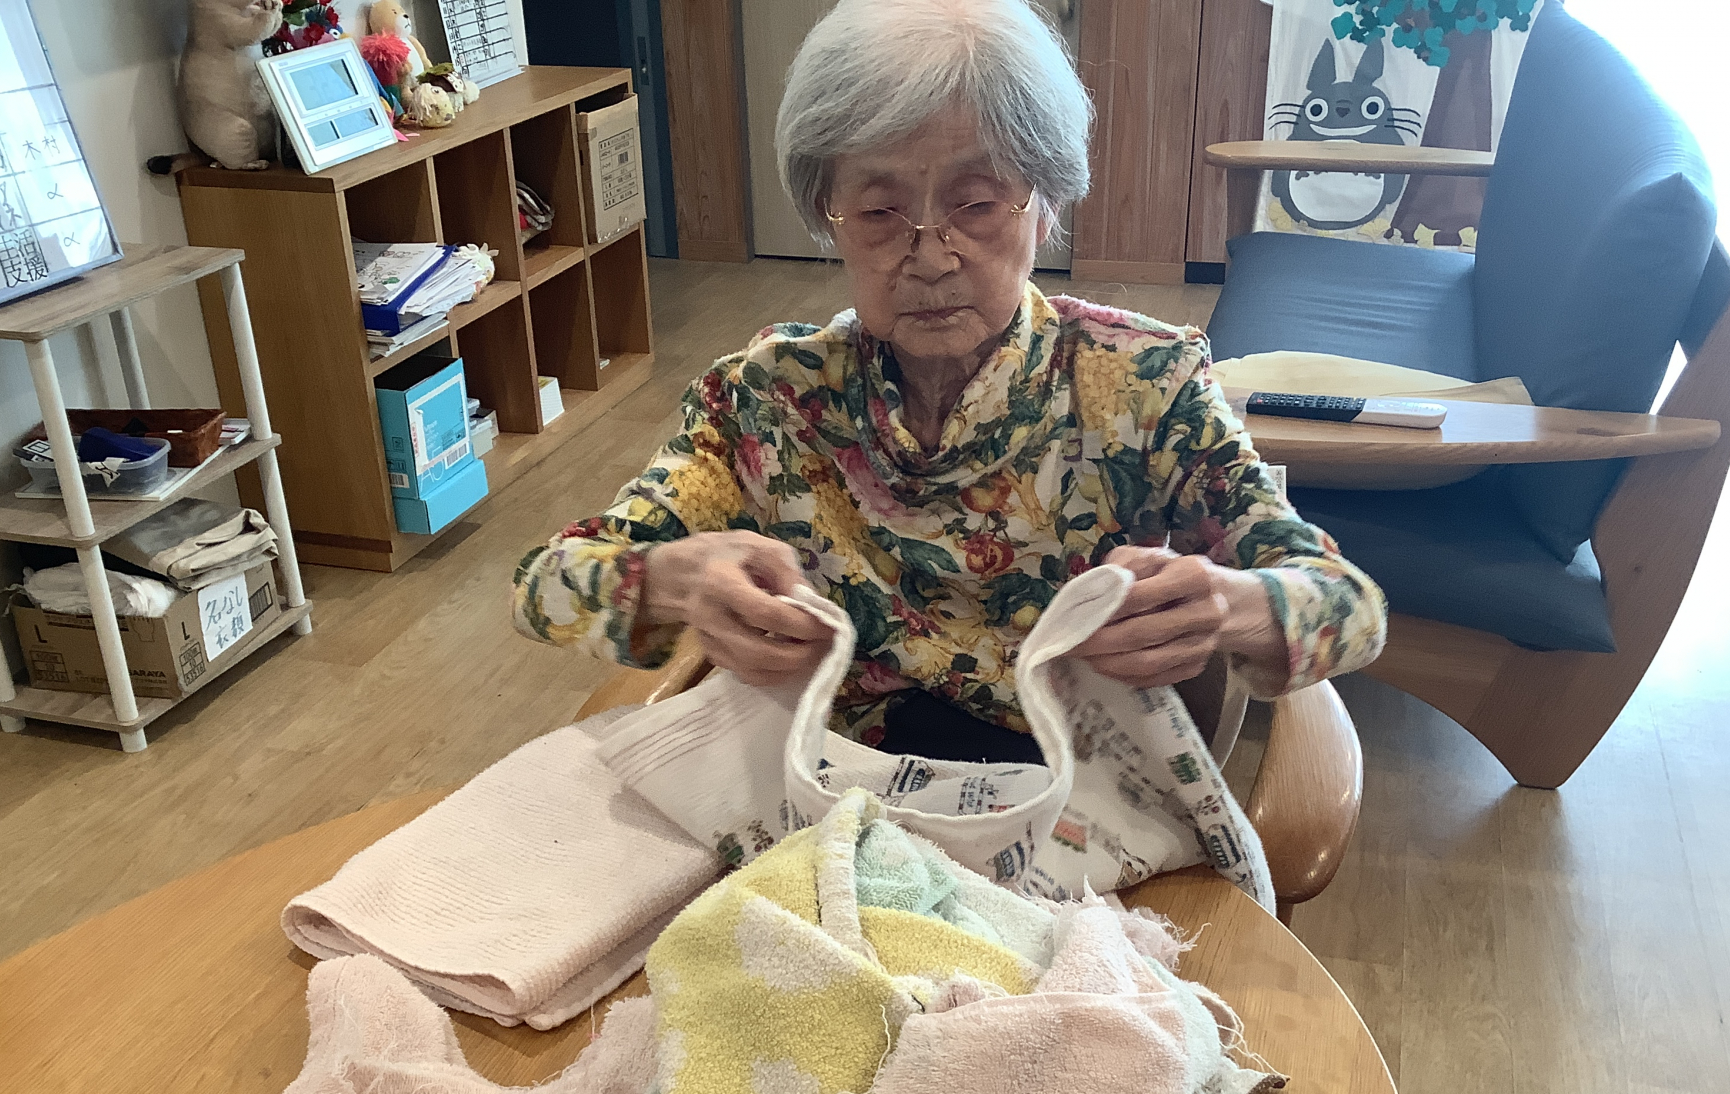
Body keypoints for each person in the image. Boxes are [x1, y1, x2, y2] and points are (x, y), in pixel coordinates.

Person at [514, 0, 1385, 764]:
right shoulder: (769, 399)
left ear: (1045, 204)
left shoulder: (1143, 388)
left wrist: (1228, 606)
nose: (930, 256)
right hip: (830, 806)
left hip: (1076, 809)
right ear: (827, 215)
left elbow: (1350, 606)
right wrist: (673, 581)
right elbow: (544, 583)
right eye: (880, 210)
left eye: (976, 203)